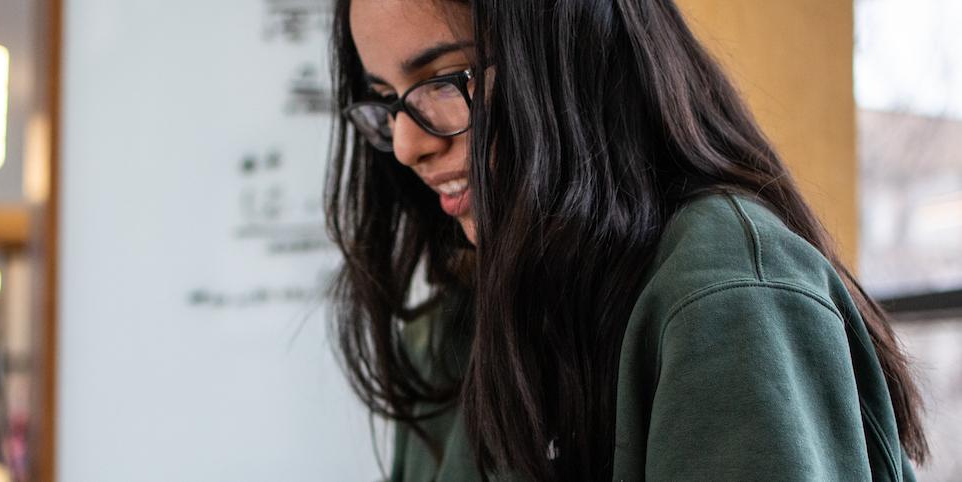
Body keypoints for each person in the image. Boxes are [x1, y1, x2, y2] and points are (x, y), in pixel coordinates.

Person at [322, 0, 929, 481]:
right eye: (385, 99)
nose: (405, 145)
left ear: (578, 53)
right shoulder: (457, 318)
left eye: (446, 79)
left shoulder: (723, 300)